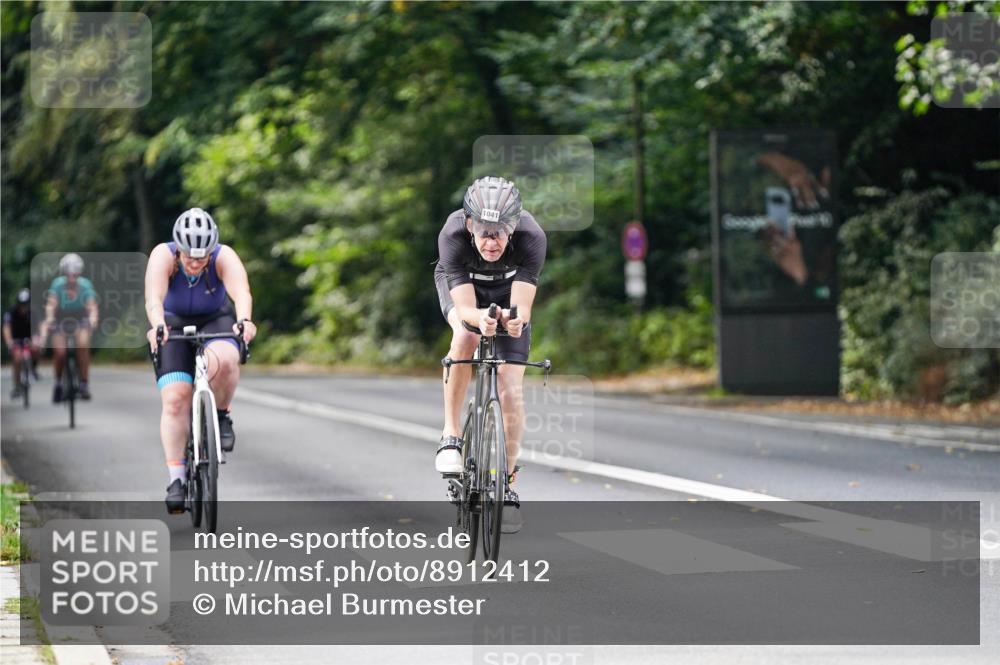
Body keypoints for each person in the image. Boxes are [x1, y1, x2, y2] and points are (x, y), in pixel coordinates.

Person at [433, 176, 546, 534]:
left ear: (514, 226)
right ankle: (451, 435)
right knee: (465, 338)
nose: (491, 241)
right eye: (483, 231)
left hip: (507, 289)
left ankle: (507, 483)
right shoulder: (452, 236)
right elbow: (466, 308)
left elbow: (522, 307)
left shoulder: (532, 238)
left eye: (500, 231)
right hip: (463, 289)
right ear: (469, 224)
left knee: (511, 392)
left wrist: (514, 323)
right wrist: (479, 319)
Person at [144, 207, 256, 513]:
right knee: (176, 400)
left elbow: (241, 292)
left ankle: (220, 414)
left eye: (202, 256)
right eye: (189, 256)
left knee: (225, 357)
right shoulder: (162, 256)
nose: (195, 263)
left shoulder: (223, 256)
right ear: (178, 249)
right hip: (172, 321)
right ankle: (177, 478)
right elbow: (153, 299)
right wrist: (157, 326)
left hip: (214, 319)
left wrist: (245, 321)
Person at [37, 253, 99, 401]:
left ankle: (84, 383)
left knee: (82, 346)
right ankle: (58, 383)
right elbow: (51, 305)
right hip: (61, 318)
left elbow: (92, 306)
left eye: (75, 274)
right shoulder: (57, 285)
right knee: (60, 353)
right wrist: (50, 317)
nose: (72, 277)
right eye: (69, 274)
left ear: (79, 273)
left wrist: (93, 319)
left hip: (79, 318)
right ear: (64, 273)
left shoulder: (85, 285)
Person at [3, 289, 38, 398]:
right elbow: (6, 328)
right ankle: (17, 385)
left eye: (26, 304)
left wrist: (37, 339)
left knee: (36, 349)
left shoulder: (34, 312)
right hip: (16, 340)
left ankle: (33, 369)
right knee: (17, 358)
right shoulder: (10, 312)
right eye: (21, 305)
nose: (24, 307)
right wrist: (9, 341)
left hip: (29, 338)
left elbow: (39, 326)